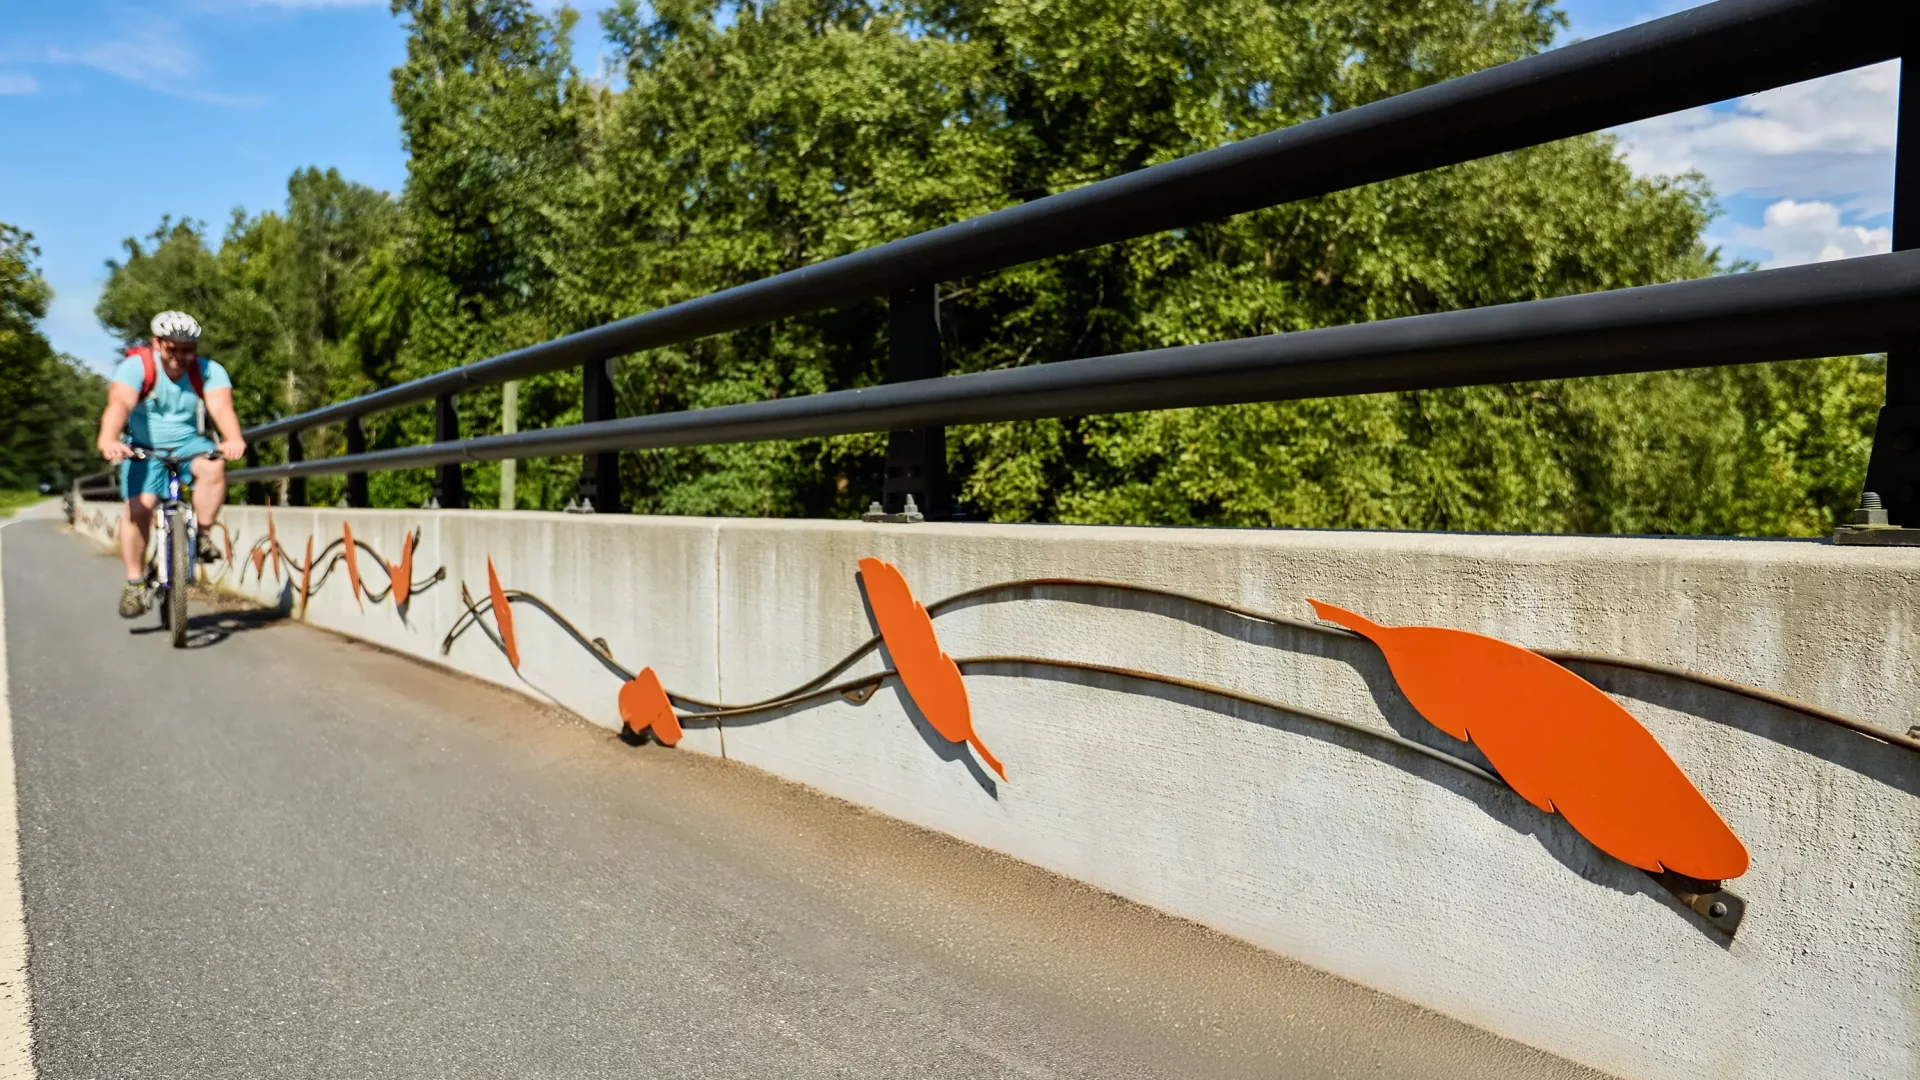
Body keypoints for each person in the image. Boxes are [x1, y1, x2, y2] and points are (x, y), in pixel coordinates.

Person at [94, 311, 248, 618]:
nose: (179, 356)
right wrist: (109, 438)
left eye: (187, 349)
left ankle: (202, 537)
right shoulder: (136, 367)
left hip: (190, 444)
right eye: (171, 348)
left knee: (213, 467)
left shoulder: (208, 371)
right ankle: (135, 583)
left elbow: (221, 406)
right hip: (144, 445)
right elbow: (120, 403)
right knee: (140, 507)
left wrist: (233, 438)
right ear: (156, 343)